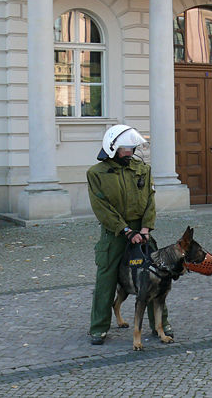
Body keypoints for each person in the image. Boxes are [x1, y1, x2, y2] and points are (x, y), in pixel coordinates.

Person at [86, 124, 171, 345]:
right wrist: (125, 230)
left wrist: (145, 228)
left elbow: (150, 200)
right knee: (106, 278)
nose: (130, 153)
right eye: (125, 149)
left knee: (156, 274)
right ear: (112, 148)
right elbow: (101, 207)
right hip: (115, 233)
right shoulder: (96, 174)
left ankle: (160, 324)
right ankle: (98, 327)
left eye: (132, 148)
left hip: (141, 230)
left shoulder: (142, 168)